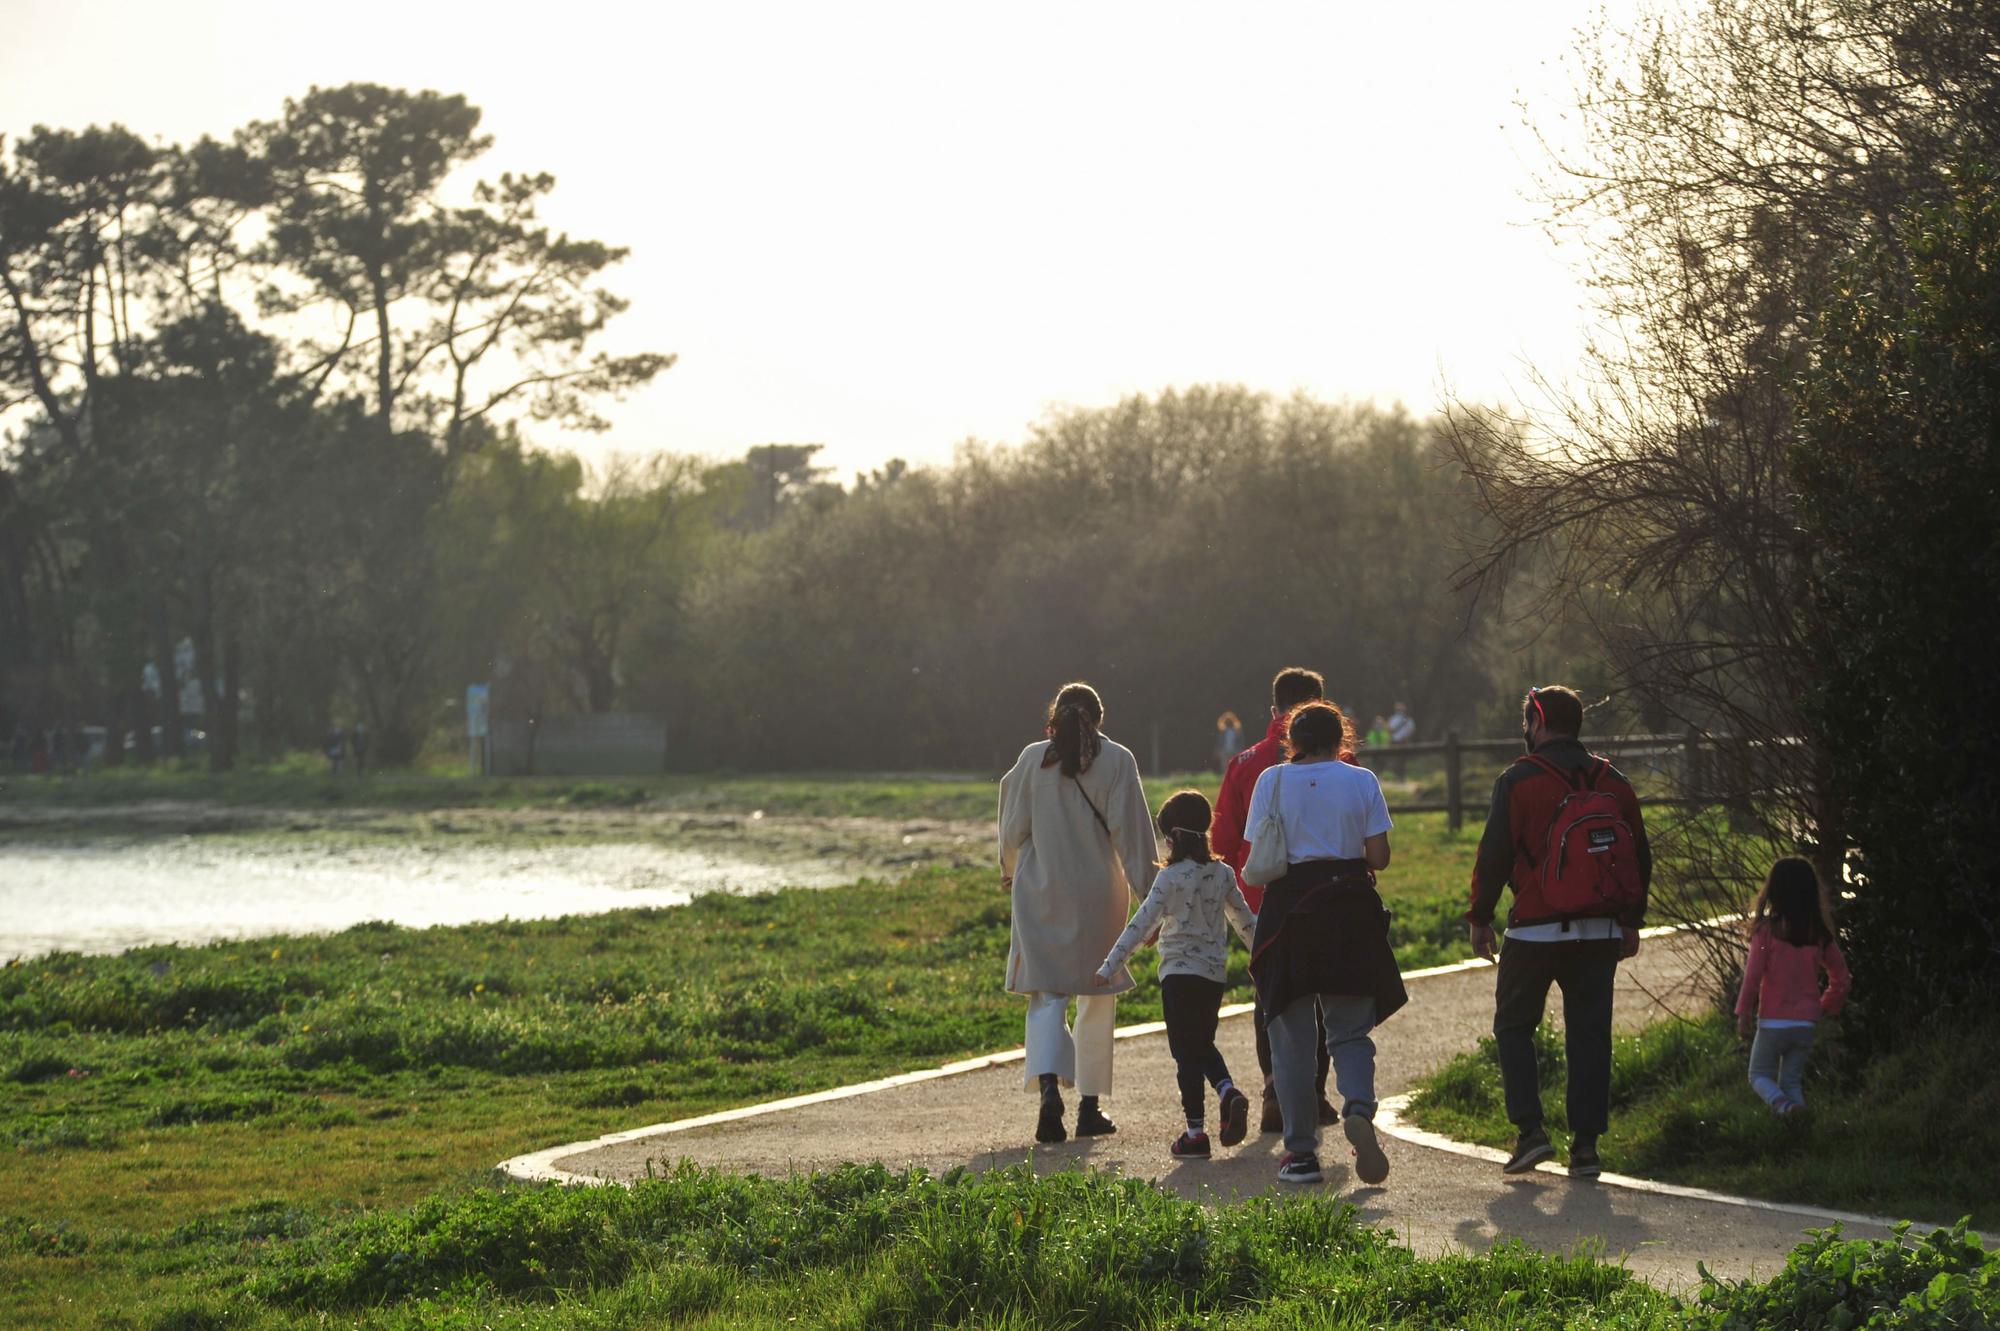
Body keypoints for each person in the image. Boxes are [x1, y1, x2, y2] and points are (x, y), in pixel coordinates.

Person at [1467, 684, 1652, 1179]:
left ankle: (1531, 1133)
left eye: (1528, 721)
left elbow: (1494, 854)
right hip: (1599, 930)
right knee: (1590, 1036)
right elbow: (1640, 855)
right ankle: (1586, 1148)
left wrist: (1479, 917)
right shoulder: (1613, 780)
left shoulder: (1519, 780)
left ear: (1539, 721)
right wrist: (1631, 921)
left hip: (1534, 930)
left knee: (1513, 1028)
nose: (1525, 730)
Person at [1242, 700, 1403, 1186]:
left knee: (1291, 1039)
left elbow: (1258, 850)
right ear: (1342, 739)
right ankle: (1357, 1106)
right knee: (1350, 1031)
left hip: (1289, 910)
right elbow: (1379, 856)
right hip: (1349, 907)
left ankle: (1301, 1154)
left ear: (1291, 739)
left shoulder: (1271, 780)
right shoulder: (1362, 781)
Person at [999, 682, 1158, 1145]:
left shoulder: (1033, 759)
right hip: (1097, 896)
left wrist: (1009, 869)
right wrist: (1151, 902)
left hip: (1040, 891)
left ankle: (1049, 1089)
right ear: (1100, 718)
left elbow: (1012, 829)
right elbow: (1133, 837)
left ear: (1055, 716)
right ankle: (1090, 1107)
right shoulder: (1118, 760)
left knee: (1046, 996)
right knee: (1096, 996)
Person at [1094, 789, 1257, 1157]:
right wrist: (1265, 954)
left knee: (1186, 1052)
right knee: (1200, 1042)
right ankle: (1227, 1091)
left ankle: (1195, 1134)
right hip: (1214, 975)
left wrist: (1109, 967)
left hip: (1178, 976)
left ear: (1169, 838)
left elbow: (1141, 925)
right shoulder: (1223, 874)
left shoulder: (1169, 879)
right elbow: (1245, 921)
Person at [1212, 667, 1340, 1133]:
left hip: (1261, 898)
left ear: (1274, 710)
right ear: (1323, 706)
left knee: (1271, 996)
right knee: (1320, 992)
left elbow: (1223, 838)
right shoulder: (1340, 762)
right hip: (1328, 896)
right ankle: (1314, 1093)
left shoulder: (1247, 761)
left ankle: (1272, 1089)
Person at [1735, 857, 1849, 1115]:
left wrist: (1744, 1012)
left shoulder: (1765, 934)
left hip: (1774, 1022)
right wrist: (1825, 1006)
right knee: (1791, 1081)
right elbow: (1842, 978)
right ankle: (1799, 1125)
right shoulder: (1819, 935)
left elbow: (1752, 976)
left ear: (1774, 891)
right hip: (1806, 1023)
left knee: (1758, 1076)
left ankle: (1784, 1107)